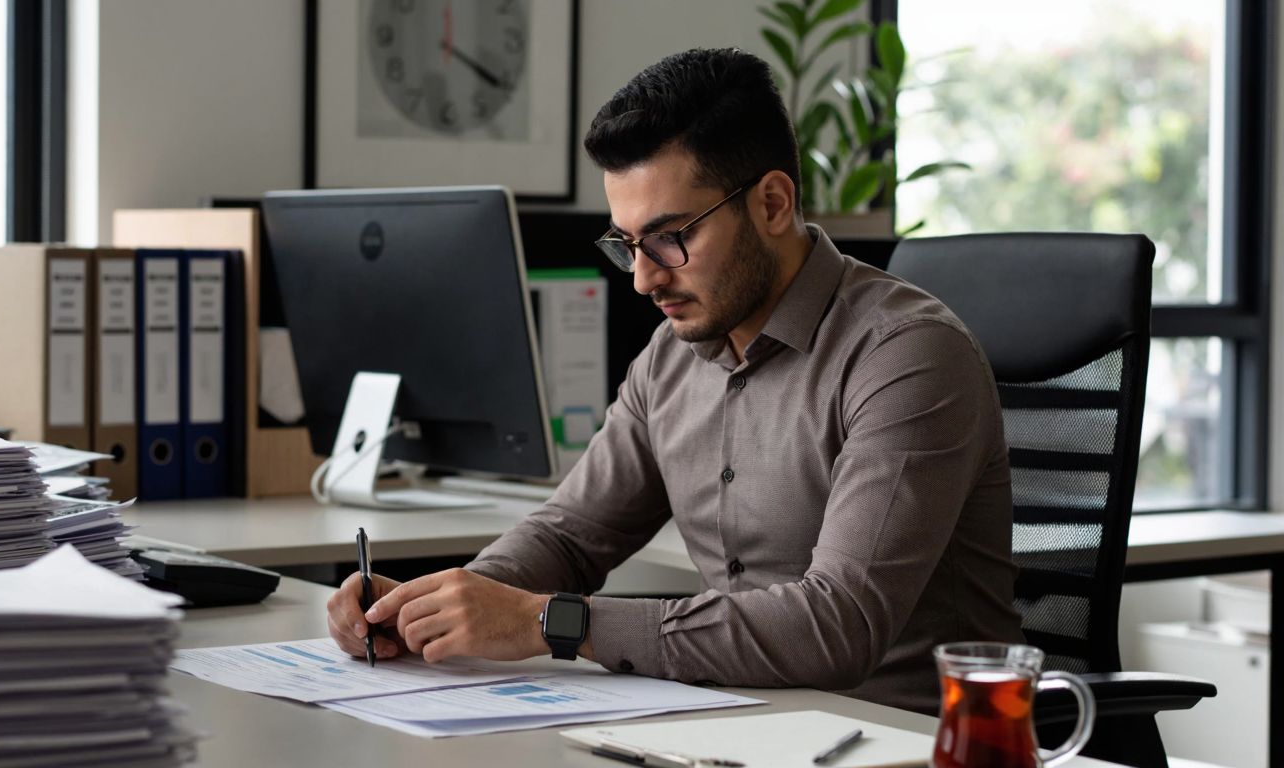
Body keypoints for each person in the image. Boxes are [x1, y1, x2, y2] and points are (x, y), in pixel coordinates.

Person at [326, 47, 1022, 714]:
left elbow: (836, 626)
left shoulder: (906, 355)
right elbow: (570, 536)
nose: (643, 277)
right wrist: (437, 607)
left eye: (668, 238)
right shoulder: (672, 355)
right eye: (625, 243)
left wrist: (551, 622)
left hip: (899, 739)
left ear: (773, 204)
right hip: (729, 723)